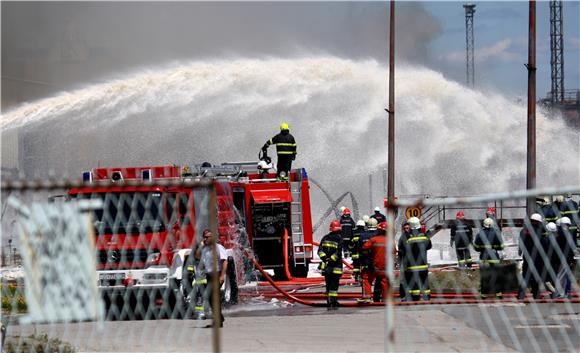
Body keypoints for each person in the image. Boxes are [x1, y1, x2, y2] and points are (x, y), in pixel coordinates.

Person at [195, 229, 228, 327]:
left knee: (214, 298)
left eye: (207, 237)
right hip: (209, 275)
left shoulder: (218, 247)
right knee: (210, 298)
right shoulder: (205, 249)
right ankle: (219, 318)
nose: (205, 239)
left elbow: (225, 261)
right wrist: (201, 245)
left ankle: (218, 321)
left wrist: (222, 276)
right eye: (204, 237)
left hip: (217, 274)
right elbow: (197, 256)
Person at [398, 217, 432, 301]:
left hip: (412, 266)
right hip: (423, 265)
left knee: (414, 283)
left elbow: (401, 249)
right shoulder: (424, 236)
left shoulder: (407, 237)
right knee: (424, 281)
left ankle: (415, 297)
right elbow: (429, 246)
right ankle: (426, 296)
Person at [361, 222, 395, 303]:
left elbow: (364, 248)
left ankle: (367, 297)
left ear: (379, 230)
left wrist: (369, 256)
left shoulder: (373, 239)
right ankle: (386, 298)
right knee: (384, 281)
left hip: (375, 266)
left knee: (366, 278)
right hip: (386, 267)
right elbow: (394, 253)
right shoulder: (391, 241)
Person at [474, 218, 504, 299]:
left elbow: (476, 247)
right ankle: (498, 294)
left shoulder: (480, 234)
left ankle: (483, 295)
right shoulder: (496, 233)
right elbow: (501, 247)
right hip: (494, 258)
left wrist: (482, 248)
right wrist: (494, 247)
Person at [518, 213, 545, 299]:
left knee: (525, 276)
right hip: (538, 257)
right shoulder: (541, 231)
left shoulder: (524, 230)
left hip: (527, 256)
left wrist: (520, 251)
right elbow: (544, 244)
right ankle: (536, 295)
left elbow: (521, 243)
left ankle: (521, 295)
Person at [318, 220, 343, 310]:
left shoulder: (325, 238)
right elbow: (338, 253)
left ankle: (329, 301)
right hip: (335, 267)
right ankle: (333, 301)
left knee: (328, 285)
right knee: (334, 286)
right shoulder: (339, 238)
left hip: (327, 267)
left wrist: (325, 258)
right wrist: (331, 259)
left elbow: (320, 251)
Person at [184, 245, 209, 320]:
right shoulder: (194, 262)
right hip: (198, 283)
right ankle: (200, 313)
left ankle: (202, 313)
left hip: (205, 282)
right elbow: (190, 272)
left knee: (201, 298)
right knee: (199, 298)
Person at [555, 217, 577, 298]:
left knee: (560, 276)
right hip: (567, 258)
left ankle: (560, 293)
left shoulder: (559, 234)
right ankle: (567, 292)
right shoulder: (568, 234)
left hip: (561, 258)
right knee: (567, 275)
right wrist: (572, 258)